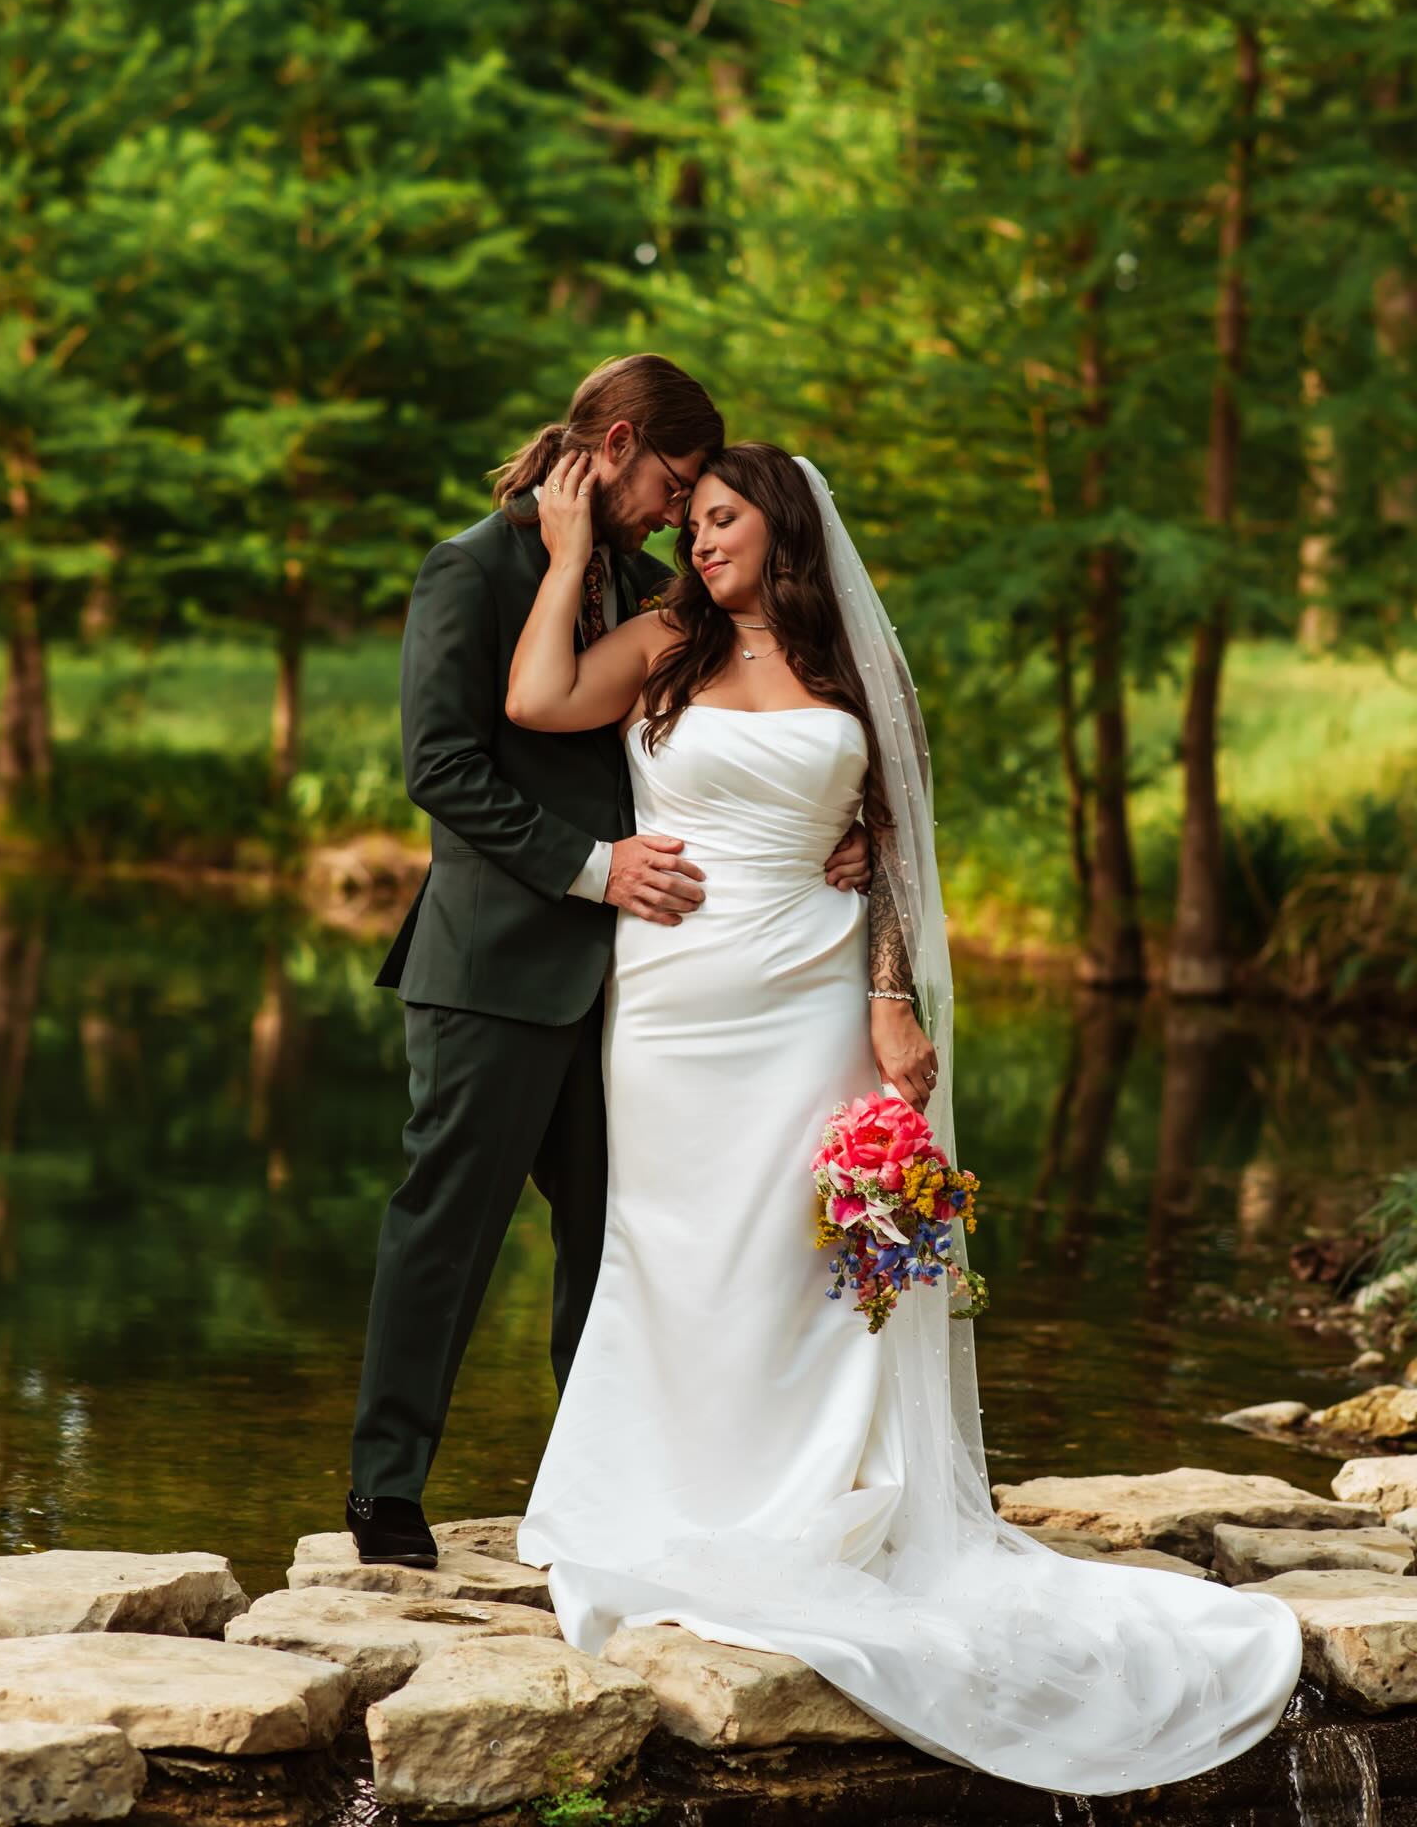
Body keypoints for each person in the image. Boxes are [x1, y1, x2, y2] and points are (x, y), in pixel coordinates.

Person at [504, 441, 1304, 1798]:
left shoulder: (849, 670)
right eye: (693, 524)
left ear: (784, 527)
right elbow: (534, 698)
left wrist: (888, 999)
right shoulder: (663, 642)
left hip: (812, 994)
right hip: (676, 997)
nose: (701, 541)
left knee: (796, 1254)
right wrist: (573, 551)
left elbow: (890, 849)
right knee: (670, 1245)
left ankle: (813, 1501)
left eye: (723, 518)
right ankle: (658, 1497)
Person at [346, 359, 870, 1568]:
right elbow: (441, 767)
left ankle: (600, 1489)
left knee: (618, 1237)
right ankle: (387, 1490)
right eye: (675, 486)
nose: (680, 515)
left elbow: (732, 731)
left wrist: (835, 827)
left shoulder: (655, 591)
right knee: (449, 1226)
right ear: (621, 442)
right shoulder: (471, 569)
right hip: (493, 968)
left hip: (646, 985)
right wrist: (593, 867)